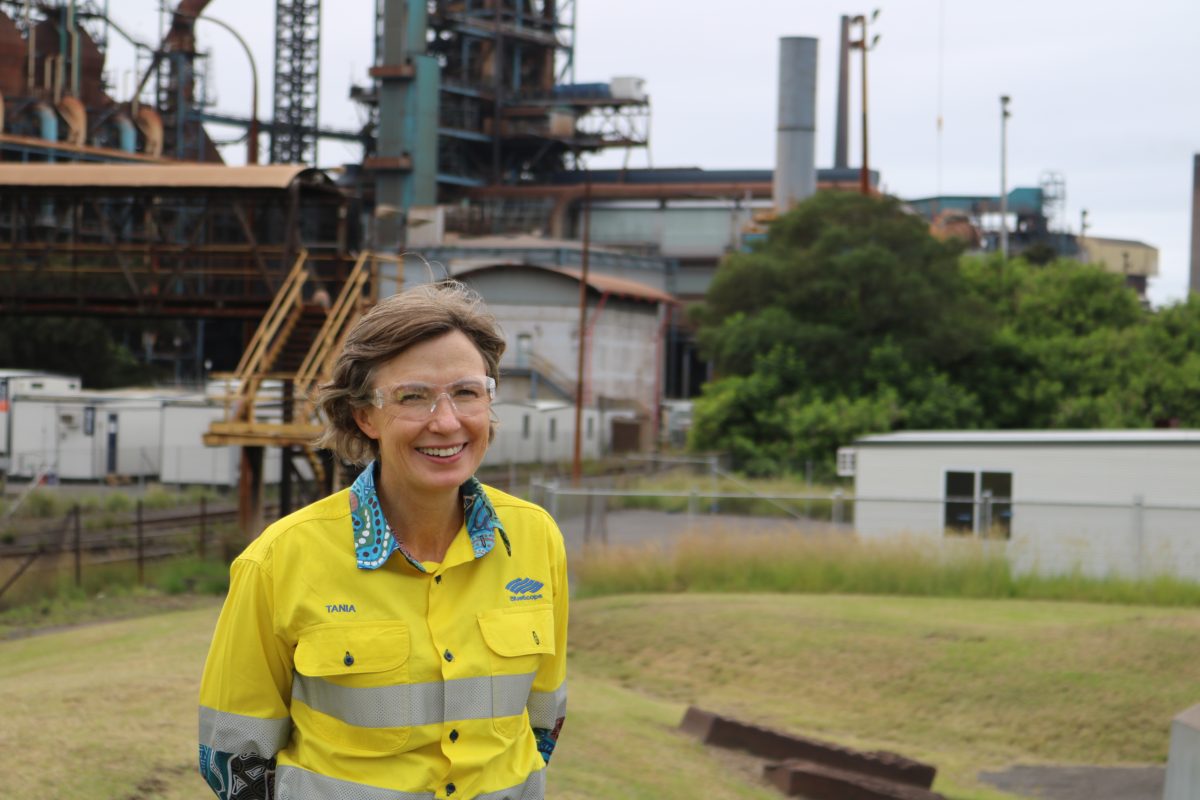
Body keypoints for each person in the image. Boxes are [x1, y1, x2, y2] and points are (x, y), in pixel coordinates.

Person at [198, 281, 568, 800]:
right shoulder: (280, 559)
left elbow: (543, 724)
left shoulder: (535, 539)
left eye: (467, 392)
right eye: (413, 397)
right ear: (363, 415)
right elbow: (233, 759)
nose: (446, 422)